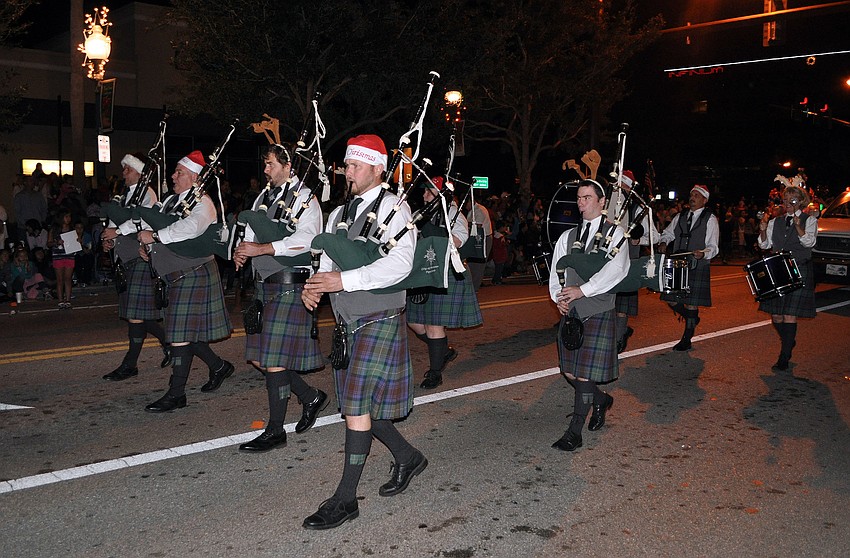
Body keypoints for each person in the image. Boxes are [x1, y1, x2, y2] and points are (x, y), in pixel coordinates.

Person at [301, 134, 426, 530]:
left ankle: (345, 500)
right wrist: (314, 286)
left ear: (377, 169)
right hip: (346, 323)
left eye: (355, 166)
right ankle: (408, 457)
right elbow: (325, 259)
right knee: (364, 406)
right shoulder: (339, 213)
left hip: (379, 320)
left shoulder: (396, 209)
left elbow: (400, 265)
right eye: (346, 165)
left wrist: (345, 281)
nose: (347, 172)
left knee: (355, 408)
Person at [232, 143, 327, 452]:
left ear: (288, 165)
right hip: (264, 286)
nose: (266, 169)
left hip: (290, 285)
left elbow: (307, 239)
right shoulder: (264, 197)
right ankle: (311, 396)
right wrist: (243, 249)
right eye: (265, 163)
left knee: (273, 361)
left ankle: (275, 431)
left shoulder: (305, 198)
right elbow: (251, 228)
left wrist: (264, 249)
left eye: (271, 163)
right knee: (260, 358)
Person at [137, 150, 234, 412]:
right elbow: (156, 226)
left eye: (179, 172)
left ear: (193, 176)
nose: (173, 175)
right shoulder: (171, 201)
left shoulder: (203, 202)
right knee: (183, 333)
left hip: (193, 274)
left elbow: (192, 228)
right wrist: (148, 248)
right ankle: (219, 367)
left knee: (178, 336)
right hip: (174, 277)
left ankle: (176, 393)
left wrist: (155, 238)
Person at [548, 178, 629, 452]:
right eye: (579, 198)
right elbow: (556, 272)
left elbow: (617, 270)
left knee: (583, 376)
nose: (581, 202)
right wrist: (558, 298)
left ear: (602, 201)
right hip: (571, 313)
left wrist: (583, 291)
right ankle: (601, 400)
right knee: (570, 372)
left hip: (597, 309)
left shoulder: (616, 235)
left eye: (587, 197)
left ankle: (574, 433)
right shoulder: (567, 237)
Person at [100, 153, 171, 382]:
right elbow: (114, 221)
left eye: (127, 169)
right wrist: (108, 239)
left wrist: (117, 231)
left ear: (140, 173)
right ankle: (168, 343)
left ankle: (130, 364)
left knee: (135, 316)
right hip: (125, 258)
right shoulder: (122, 196)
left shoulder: (147, 194)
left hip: (140, 257)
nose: (123, 173)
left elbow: (142, 222)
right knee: (138, 314)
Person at [407, 177, 482, 390]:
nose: (424, 196)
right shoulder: (417, 215)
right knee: (414, 323)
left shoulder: (453, 214)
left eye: (429, 192)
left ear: (441, 194)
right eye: (424, 192)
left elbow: (459, 240)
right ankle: (444, 351)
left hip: (445, 271)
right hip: (421, 272)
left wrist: (435, 233)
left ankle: (435, 372)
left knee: (433, 324)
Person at [757, 185, 818, 371]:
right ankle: (788, 341)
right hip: (778, 269)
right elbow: (764, 244)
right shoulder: (776, 221)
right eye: (785, 200)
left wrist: (798, 226)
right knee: (776, 315)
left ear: (800, 201)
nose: (787, 204)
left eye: (792, 200)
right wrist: (762, 229)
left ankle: (784, 356)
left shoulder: (809, 220)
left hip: (798, 268)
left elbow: (810, 242)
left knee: (789, 315)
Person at [658, 185, 719, 351]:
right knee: (669, 298)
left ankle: (687, 338)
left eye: (697, 195)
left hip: (696, 264)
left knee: (691, 303)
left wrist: (703, 254)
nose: (692, 198)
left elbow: (713, 246)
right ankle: (690, 317)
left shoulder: (710, 218)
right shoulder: (681, 215)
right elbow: (669, 233)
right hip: (678, 263)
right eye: (691, 195)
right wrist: (664, 242)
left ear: (705, 200)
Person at [48, 210, 76, 309]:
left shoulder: (72, 229)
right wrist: (57, 242)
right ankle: (60, 300)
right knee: (59, 279)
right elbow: (49, 243)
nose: (68, 219)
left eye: (69, 217)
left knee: (68, 279)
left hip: (69, 255)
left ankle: (68, 300)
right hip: (58, 256)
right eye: (66, 217)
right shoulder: (54, 229)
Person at [464, 197, 492, 291]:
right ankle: (471, 286)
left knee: (479, 264)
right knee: (472, 263)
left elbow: (477, 226)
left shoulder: (479, 210)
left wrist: (464, 224)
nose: (465, 206)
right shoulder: (471, 211)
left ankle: (474, 288)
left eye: (465, 203)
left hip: (483, 239)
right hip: (475, 239)